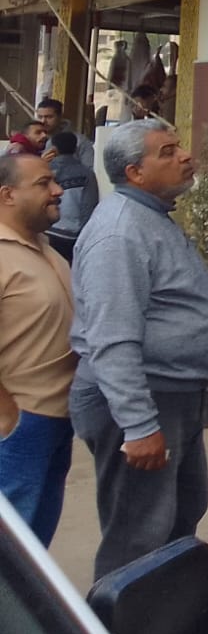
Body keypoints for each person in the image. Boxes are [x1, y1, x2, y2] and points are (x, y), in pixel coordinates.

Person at [68, 119, 208, 579]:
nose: (185, 156)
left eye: (179, 146)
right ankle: (115, 617)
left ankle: (161, 612)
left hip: (173, 394)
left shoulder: (149, 217)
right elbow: (111, 337)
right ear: (135, 172)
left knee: (176, 518)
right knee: (138, 533)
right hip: (143, 400)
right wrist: (138, 425)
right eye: (168, 152)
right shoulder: (119, 232)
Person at [0, 153, 73, 545]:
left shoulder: (44, 246)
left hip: (58, 420)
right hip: (20, 427)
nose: (57, 190)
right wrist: (8, 415)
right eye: (44, 183)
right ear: (7, 195)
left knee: (35, 550)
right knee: (13, 553)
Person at [44, 132, 98, 264]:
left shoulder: (43, 171)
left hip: (47, 232)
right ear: (75, 148)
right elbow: (89, 207)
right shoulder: (86, 174)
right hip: (73, 236)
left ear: (54, 149)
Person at [38, 98, 93, 166]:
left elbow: (89, 168)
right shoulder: (32, 139)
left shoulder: (79, 141)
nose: (43, 121)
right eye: (40, 117)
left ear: (60, 117)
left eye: (49, 117)